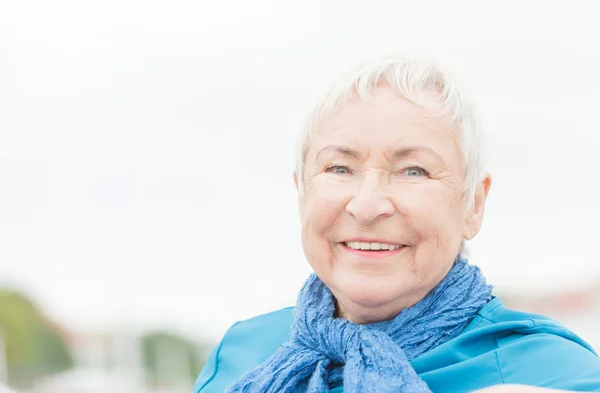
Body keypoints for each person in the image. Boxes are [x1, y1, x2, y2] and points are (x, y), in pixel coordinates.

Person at [193, 55, 600, 392]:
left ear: (473, 205)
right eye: (339, 167)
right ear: (302, 193)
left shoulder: (555, 375)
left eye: (414, 171)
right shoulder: (240, 355)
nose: (367, 206)